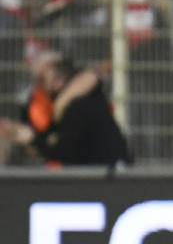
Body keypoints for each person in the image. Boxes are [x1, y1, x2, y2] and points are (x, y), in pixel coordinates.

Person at [0, 52, 131, 166]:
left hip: (108, 174)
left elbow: (64, 148)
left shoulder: (79, 102)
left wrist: (33, 140)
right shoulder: (61, 100)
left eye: (42, 78)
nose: (39, 86)